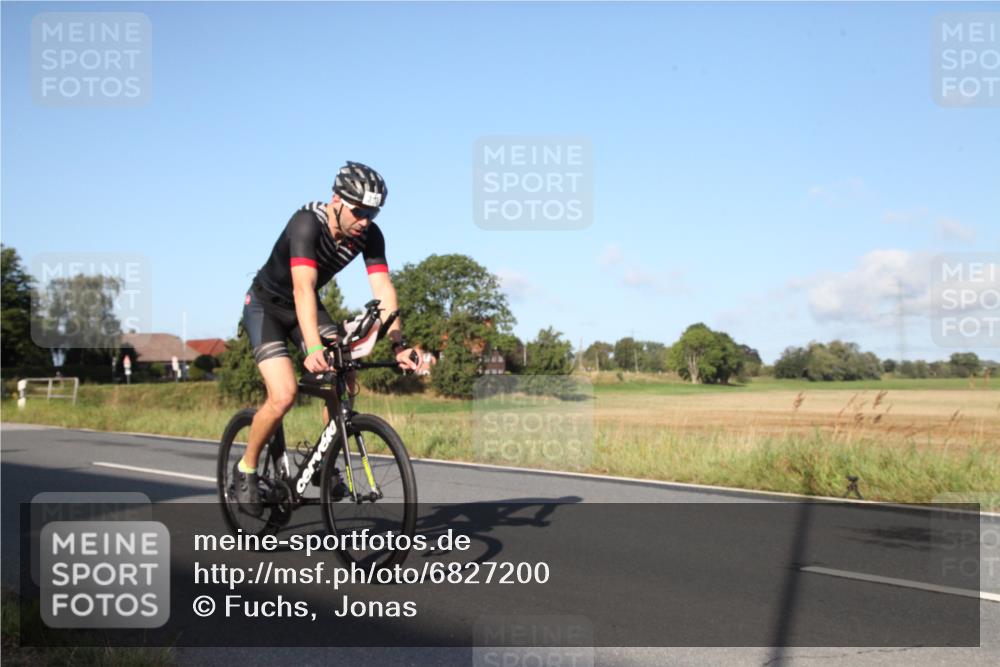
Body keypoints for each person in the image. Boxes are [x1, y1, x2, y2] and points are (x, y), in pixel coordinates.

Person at [234, 161, 419, 516]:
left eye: (373, 212)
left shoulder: (370, 234)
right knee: (284, 393)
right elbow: (303, 287)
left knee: (344, 373)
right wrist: (314, 347)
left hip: (306, 308)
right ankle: (246, 469)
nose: (365, 219)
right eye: (359, 211)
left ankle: (325, 461)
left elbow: (383, 288)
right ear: (336, 199)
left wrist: (398, 343)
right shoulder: (306, 223)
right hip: (267, 308)